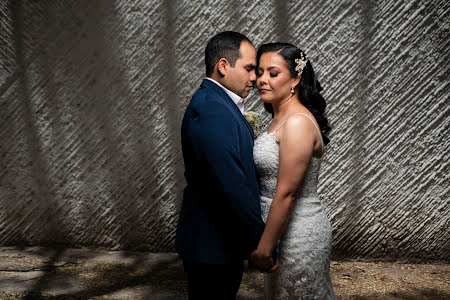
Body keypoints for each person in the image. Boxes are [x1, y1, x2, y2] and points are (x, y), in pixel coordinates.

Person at [175, 31, 277, 300]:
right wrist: (261, 244)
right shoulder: (211, 109)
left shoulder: (220, 105)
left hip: (220, 245)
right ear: (223, 66)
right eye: (249, 68)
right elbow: (231, 185)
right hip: (212, 246)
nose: (255, 78)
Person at [250, 43, 336, 299]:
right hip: (278, 232)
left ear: (296, 78)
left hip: (297, 235)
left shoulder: (298, 122)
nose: (262, 80)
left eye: (273, 73)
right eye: (260, 71)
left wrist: (265, 248)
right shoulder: (280, 118)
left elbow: (286, 192)